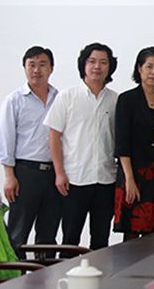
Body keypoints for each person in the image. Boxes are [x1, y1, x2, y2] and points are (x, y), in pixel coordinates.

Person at [44, 43, 119, 250]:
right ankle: (68, 272)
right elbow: (54, 136)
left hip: (106, 179)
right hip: (75, 179)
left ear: (110, 67)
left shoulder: (115, 100)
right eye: (92, 61)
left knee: (101, 240)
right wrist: (59, 173)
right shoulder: (67, 96)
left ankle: (99, 272)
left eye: (103, 62)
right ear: (83, 65)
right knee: (70, 238)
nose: (97, 67)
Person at [0, 46, 61, 252]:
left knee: (48, 233)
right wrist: (9, 176)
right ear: (24, 67)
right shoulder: (14, 100)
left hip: (54, 174)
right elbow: (6, 139)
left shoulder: (60, 98)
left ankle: (45, 271)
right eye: (31, 65)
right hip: (25, 173)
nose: (36, 70)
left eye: (42, 64)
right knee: (18, 232)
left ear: (51, 68)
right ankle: (16, 271)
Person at [113, 47, 154, 240]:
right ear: (139, 68)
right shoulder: (127, 99)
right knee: (131, 234)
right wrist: (129, 179)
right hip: (134, 173)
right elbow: (122, 142)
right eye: (149, 67)